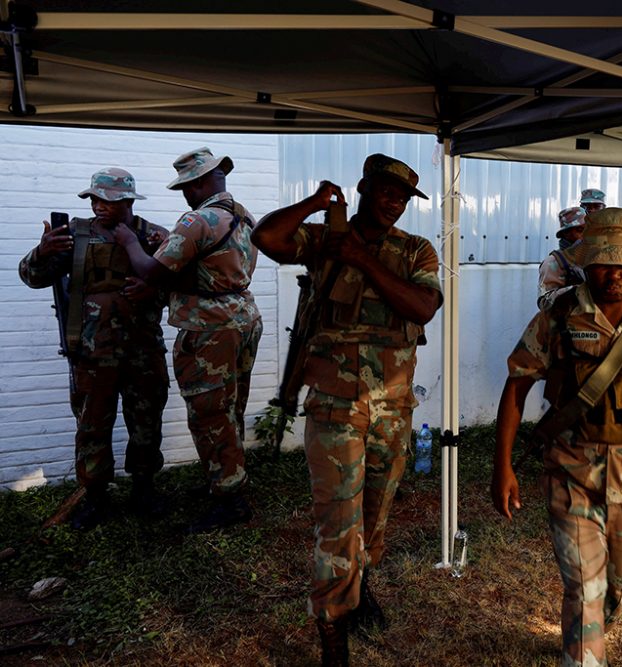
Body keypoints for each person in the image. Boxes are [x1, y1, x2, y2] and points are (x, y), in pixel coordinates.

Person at [492, 208, 622, 667]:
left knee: (614, 586)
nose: (615, 274)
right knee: (584, 588)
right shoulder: (559, 318)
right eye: (605, 263)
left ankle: (589, 635)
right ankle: (585, 653)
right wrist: (503, 466)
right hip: (571, 477)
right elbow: (517, 386)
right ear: (586, 262)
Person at [250, 154, 442, 666]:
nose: (393, 203)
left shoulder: (416, 250)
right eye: (385, 192)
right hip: (336, 405)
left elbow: (423, 307)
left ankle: (360, 590)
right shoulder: (326, 239)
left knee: (375, 517)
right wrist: (315, 203)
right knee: (338, 521)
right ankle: (333, 636)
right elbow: (266, 239)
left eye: (402, 198)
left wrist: (364, 260)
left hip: (393, 408)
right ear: (363, 189)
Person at [114, 147, 262, 533]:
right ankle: (224, 478)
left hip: (210, 329)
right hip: (243, 320)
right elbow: (212, 270)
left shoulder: (198, 220)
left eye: (186, 187)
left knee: (210, 412)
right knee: (231, 408)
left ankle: (229, 501)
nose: (184, 194)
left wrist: (130, 241)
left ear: (198, 183)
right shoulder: (244, 216)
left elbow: (151, 271)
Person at [18, 168, 169, 530]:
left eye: (109, 200)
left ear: (129, 201)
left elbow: (179, 284)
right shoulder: (74, 234)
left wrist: (154, 290)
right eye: (95, 199)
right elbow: (31, 277)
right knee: (92, 427)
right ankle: (96, 498)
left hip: (142, 351)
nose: (100, 206)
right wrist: (42, 253)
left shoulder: (153, 237)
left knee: (146, 423)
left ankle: (144, 489)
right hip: (91, 352)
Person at [537, 206, 587, 309]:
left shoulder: (591, 257)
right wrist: (578, 291)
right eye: (580, 230)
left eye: (587, 229)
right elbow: (544, 302)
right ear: (566, 233)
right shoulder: (553, 262)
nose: (585, 235)